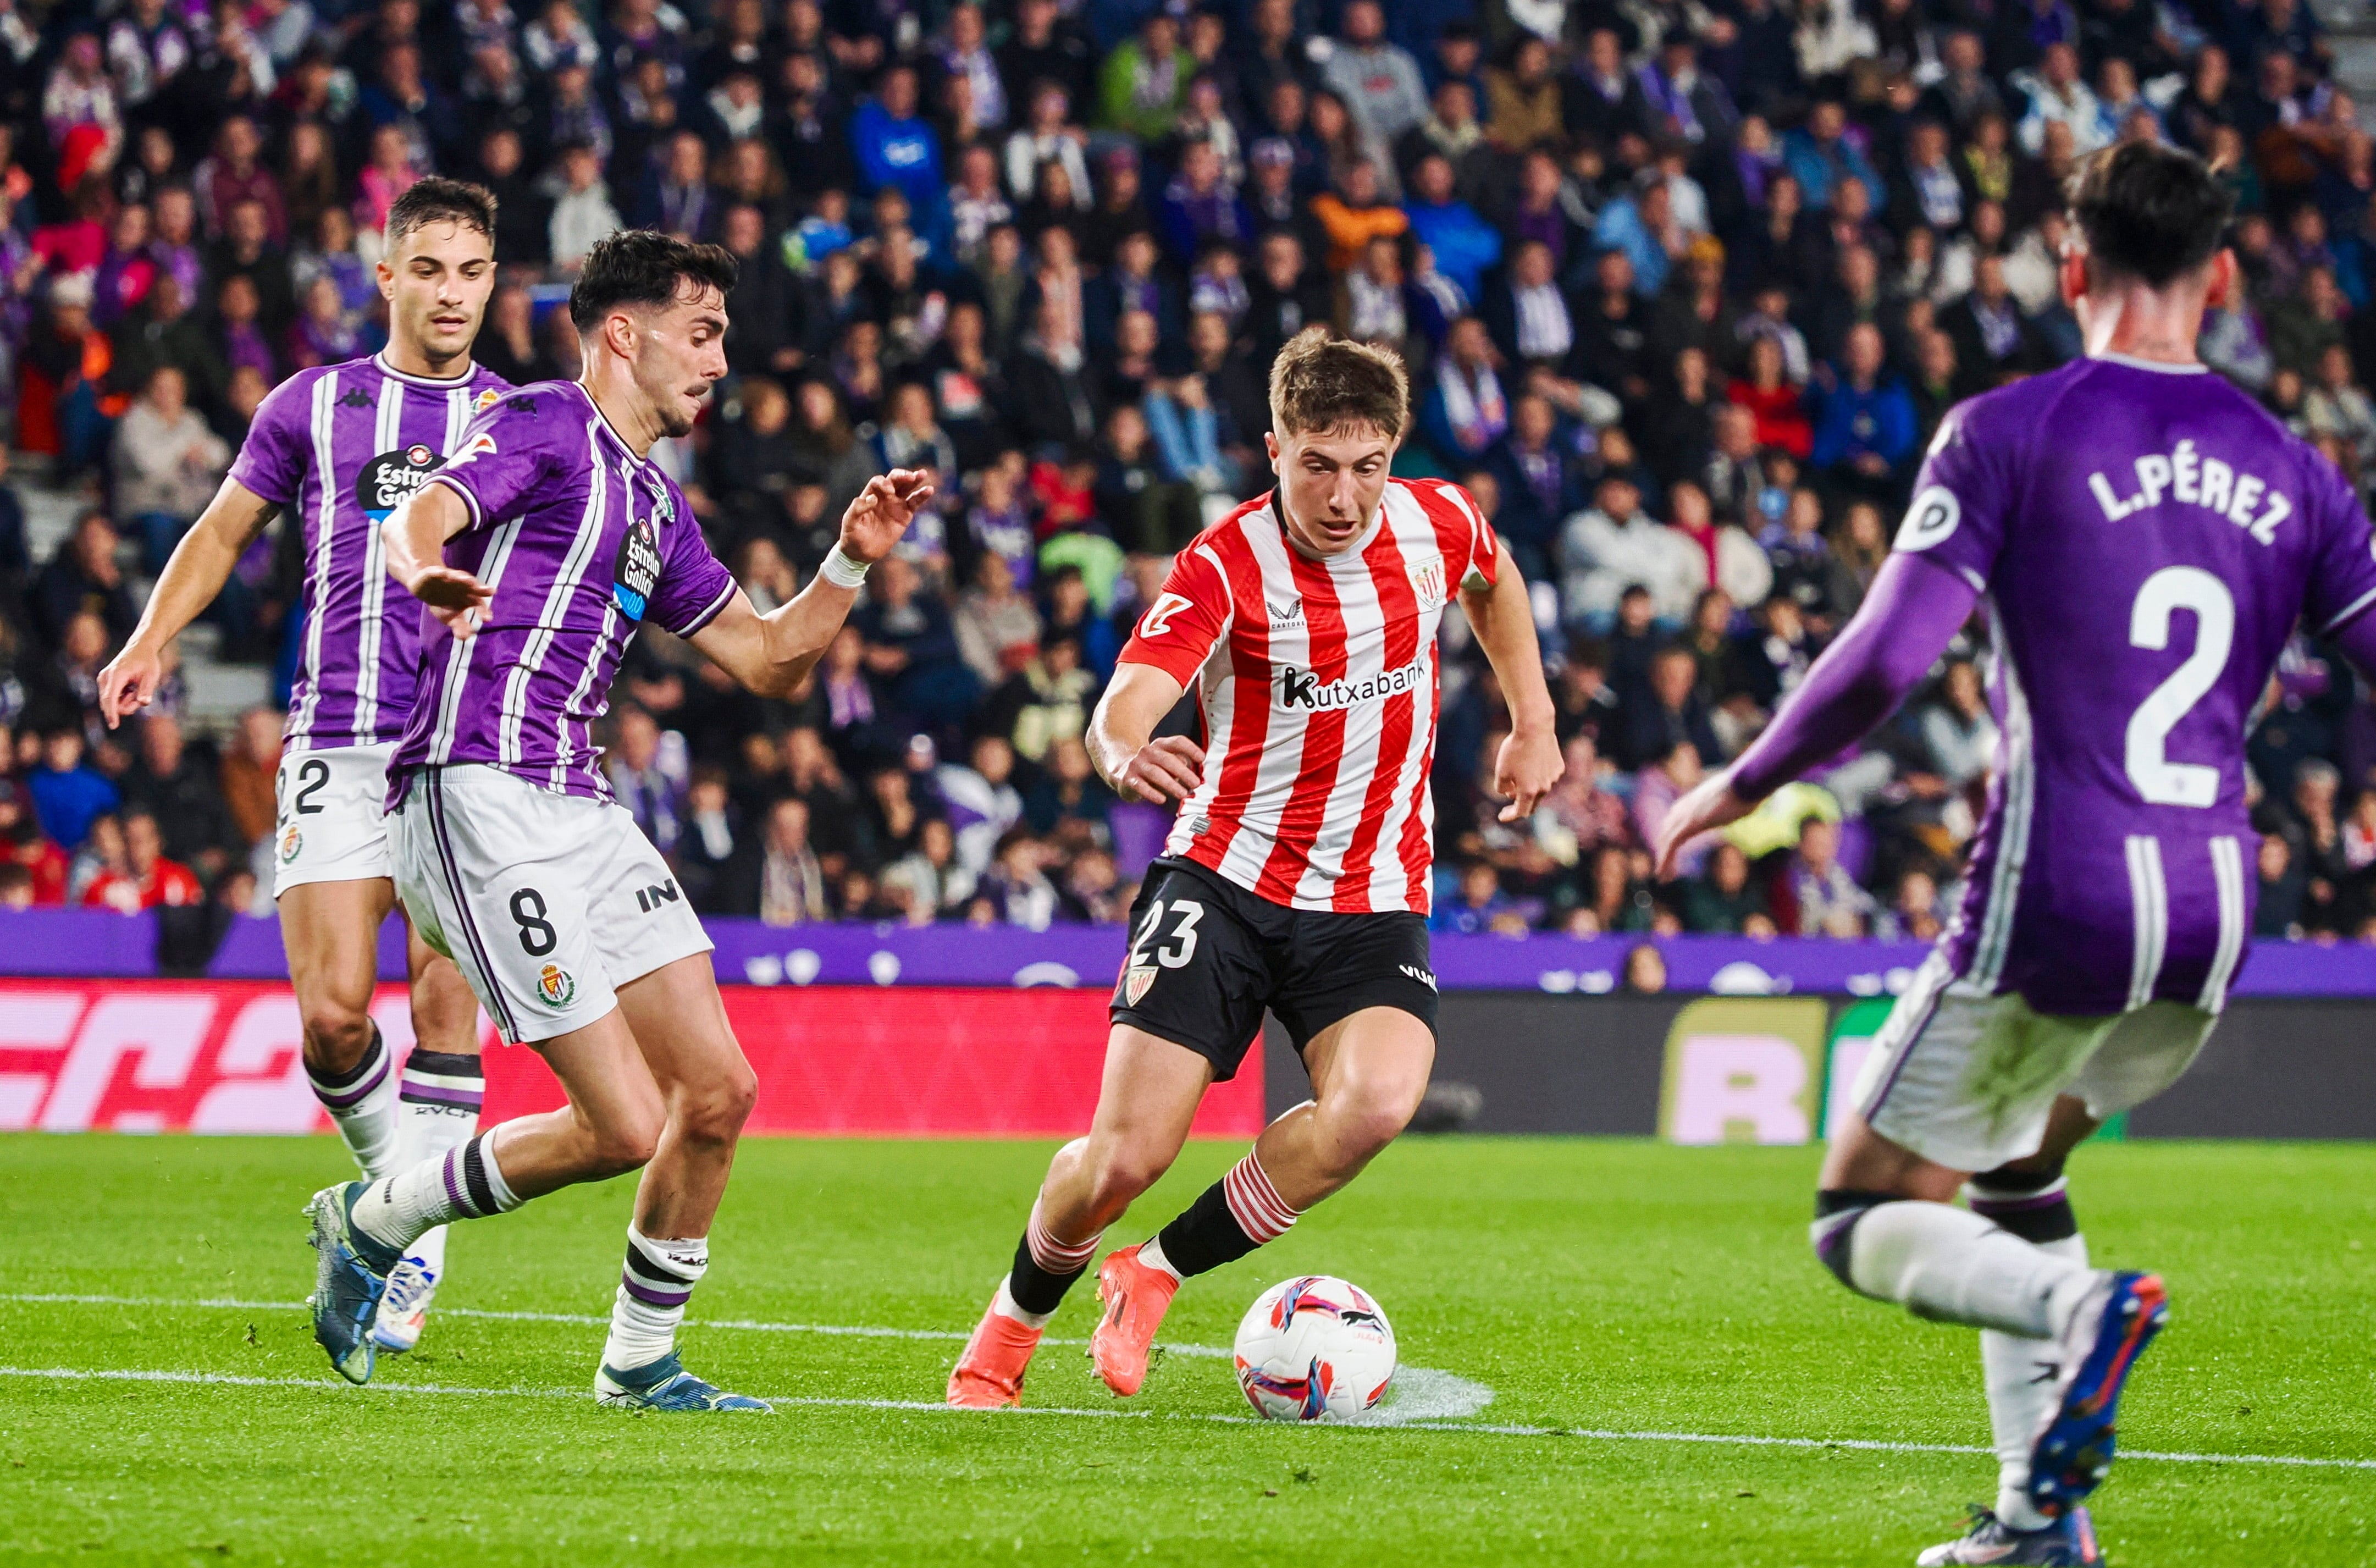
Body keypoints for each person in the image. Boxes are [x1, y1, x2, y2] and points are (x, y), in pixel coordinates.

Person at [1656, 142, 2376, 1568]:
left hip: (2057, 899)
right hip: (2213, 917)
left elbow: (1888, 659)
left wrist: (1743, 781)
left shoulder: (2012, 429)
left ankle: (2080, 1309)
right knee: (2011, 1172)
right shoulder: (2299, 470)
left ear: (2070, 268)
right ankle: (2043, 1512)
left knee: (1857, 1207)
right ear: (2220, 277)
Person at [303, 230, 932, 1408]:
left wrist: (845, 563)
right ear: (623, 335)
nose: (719, 360)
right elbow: (420, 515)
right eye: (701, 334)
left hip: (581, 808)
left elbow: (764, 660)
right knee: (622, 1122)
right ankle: (372, 1216)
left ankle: (640, 1362)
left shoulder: (655, 503)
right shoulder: (544, 424)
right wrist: (428, 569)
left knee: (720, 1092)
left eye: (725, 339)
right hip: (473, 790)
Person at [947, 326, 1561, 1409]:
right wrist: (1123, 747)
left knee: (1373, 1104)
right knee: (1123, 1158)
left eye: (1366, 465)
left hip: (1370, 891)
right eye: (1317, 464)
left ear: (1393, 454)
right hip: (1225, 879)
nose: (1343, 494)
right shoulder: (1225, 564)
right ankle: (1015, 1313)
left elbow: (1494, 578)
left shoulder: (1434, 520)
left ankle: (1156, 1271)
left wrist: (1533, 717)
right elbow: (1127, 699)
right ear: (1271, 447)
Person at [95, 180, 504, 1356]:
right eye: (428, 268)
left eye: (470, 271)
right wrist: (149, 637)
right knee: (331, 1022)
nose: (449, 292)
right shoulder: (314, 406)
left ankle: (408, 1252)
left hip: (464, 748)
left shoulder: (520, 418)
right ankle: (388, 1202)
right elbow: (221, 530)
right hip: (336, 735)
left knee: (443, 999)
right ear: (387, 275)